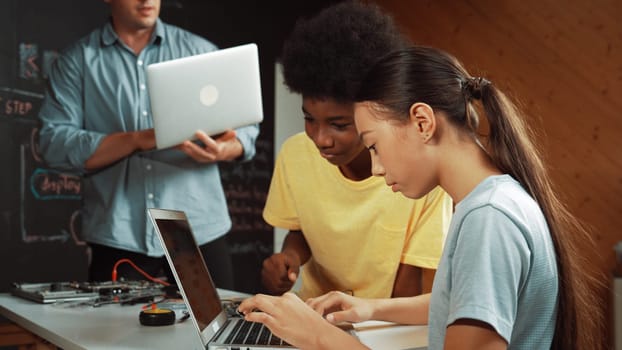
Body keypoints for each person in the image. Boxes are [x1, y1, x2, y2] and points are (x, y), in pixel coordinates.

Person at [239, 45, 606, 349]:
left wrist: (318, 337)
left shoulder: (489, 218)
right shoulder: (493, 200)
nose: (378, 169)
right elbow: (460, 301)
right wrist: (369, 308)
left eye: (375, 146)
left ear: (423, 122)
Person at [37, 0, 259, 289]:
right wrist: (139, 139)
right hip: (119, 231)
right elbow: (54, 144)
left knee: (214, 332)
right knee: (112, 334)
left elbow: (245, 128)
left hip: (196, 229)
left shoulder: (201, 52)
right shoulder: (76, 61)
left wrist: (226, 149)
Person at [260, 1, 452, 300]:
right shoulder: (295, 154)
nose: (321, 139)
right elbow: (305, 229)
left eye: (339, 124)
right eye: (309, 119)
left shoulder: (420, 177)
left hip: (384, 329)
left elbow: (411, 286)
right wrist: (290, 258)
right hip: (315, 315)